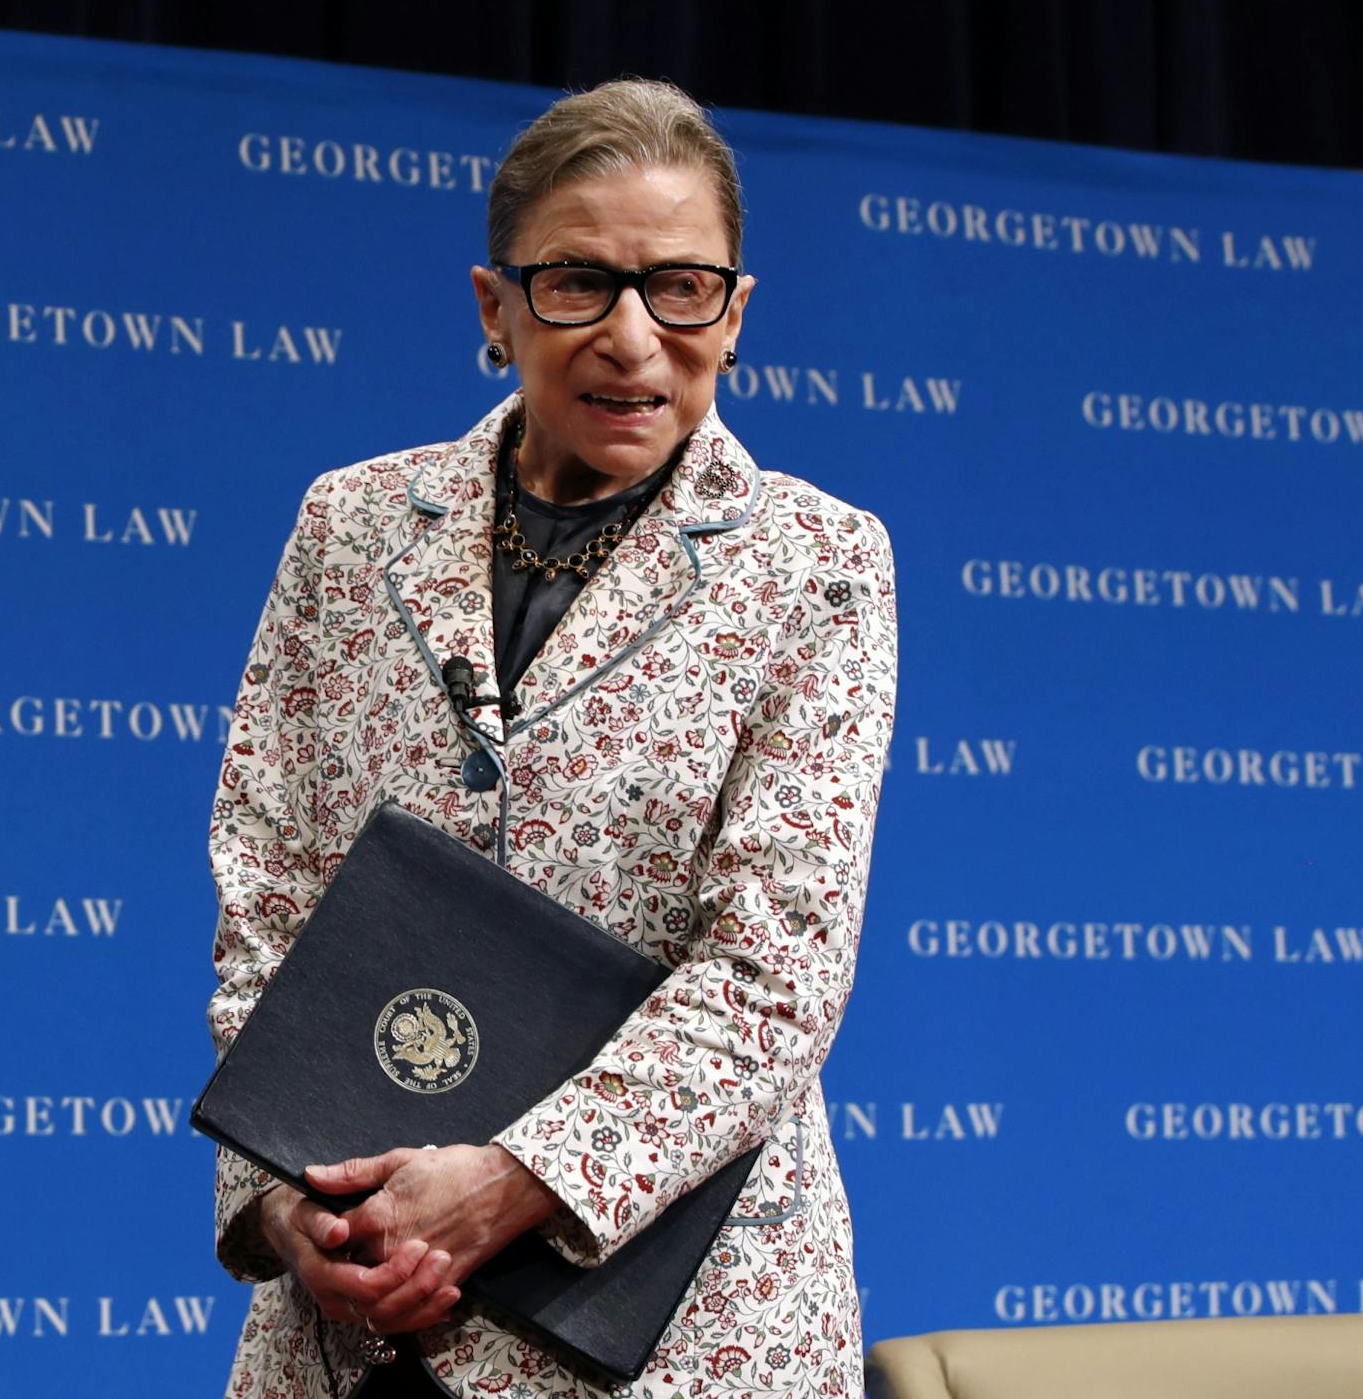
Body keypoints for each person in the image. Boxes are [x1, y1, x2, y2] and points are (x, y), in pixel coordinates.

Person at [206, 78, 897, 1399]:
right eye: (579, 283)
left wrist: (513, 1185)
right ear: (494, 307)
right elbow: (268, 890)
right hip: (350, 1318)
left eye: (682, 287)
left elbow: (773, 969)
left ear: (735, 314)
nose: (634, 339)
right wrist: (288, 1192)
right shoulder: (348, 530)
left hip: (675, 1331)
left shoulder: (819, 566)